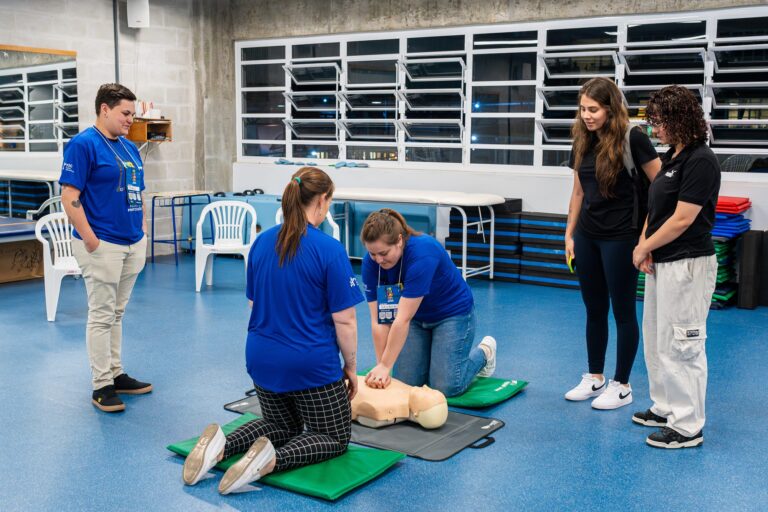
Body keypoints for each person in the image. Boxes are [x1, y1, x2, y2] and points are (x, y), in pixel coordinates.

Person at [183, 167, 364, 494]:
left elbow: (254, 303)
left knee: (282, 424)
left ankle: (221, 444)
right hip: (310, 365)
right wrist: (350, 368)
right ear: (322, 201)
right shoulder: (330, 250)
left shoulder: (262, 242)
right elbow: (346, 321)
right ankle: (268, 461)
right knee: (334, 437)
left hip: (261, 359)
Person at [563, 77, 661, 410]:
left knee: (622, 310)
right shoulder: (582, 140)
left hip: (621, 236)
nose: (586, 116)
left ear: (610, 108)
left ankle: (622, 384)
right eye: (582, 109)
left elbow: (660, 188)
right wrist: (569, 234)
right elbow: (578, 191)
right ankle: (594, 377)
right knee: (594, 308)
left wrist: (645, 238)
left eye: (593, 109)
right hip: (587, 236)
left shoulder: (634, 138)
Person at [631, 86, 720, 449]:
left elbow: (683, 219)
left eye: (660, 122)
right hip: (661, 262)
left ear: (681, 120)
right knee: (657, 339)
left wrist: (643, 249)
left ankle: (687, 426)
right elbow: (657, 209)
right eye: (653, 123)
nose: (655, 130)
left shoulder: (701, 160)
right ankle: (666, 406)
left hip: (688, 265)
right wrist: (644, 246)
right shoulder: (672, 157)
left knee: (683, 345)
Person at [60, 83, 151, 413]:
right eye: (126, 113)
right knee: (101, 315)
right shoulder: (84, 145)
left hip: (131, 242)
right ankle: (101, 385)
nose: (130, 119)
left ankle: (116, 373)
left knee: (117, 312)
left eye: (133, 113)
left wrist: (141, 229)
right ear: (105, 109)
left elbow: (137, 190)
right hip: (102, 243)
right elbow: (70, 197)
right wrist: (90, 238)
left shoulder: (129, 148)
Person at [360, 209, 496, 398]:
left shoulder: (422, 253)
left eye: (383, 253)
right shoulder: (371, 263)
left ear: (399, 240)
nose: (378, 260)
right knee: (405, 384)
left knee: (446, 387)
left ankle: (484, 353)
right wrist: (382, 365)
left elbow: (402, 319)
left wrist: (386, 365)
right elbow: (379, 321)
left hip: (451, 315)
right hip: (415, 318)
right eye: (372, 254)